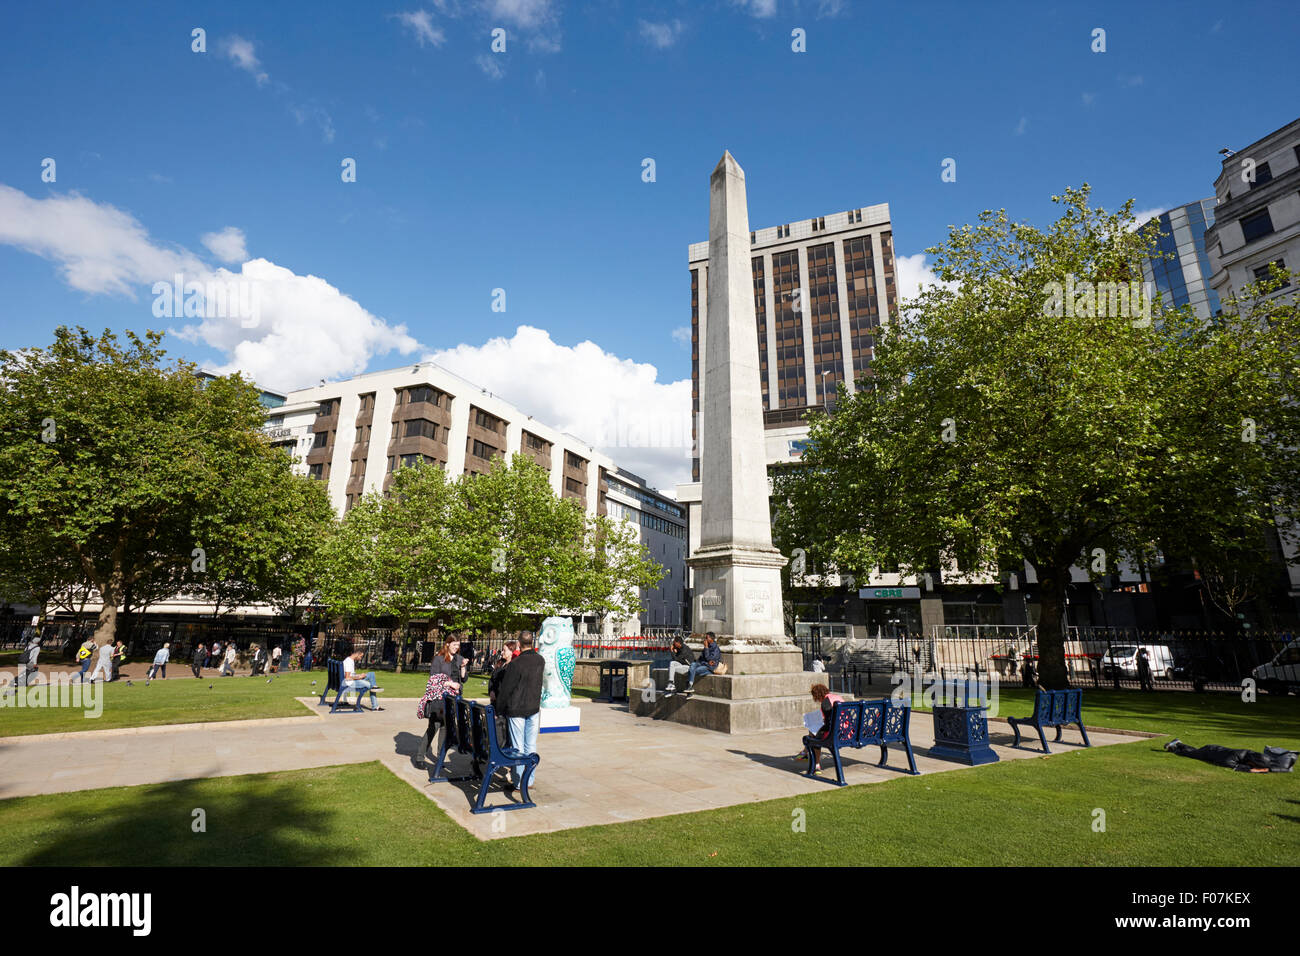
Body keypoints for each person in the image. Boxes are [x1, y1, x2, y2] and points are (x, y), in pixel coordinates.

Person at [494, 631, 545, 794]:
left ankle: (518, 783)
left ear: (519, 644)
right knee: (530, 745)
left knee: (518, 747)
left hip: (517, 708)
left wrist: (499, 709)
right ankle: (528, 780)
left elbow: (507, 689)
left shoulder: (516, 664)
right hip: (533, 707)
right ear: (532, 642)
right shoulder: (540, 660)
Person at [798, 683, 845, 772]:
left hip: (835, 732)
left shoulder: (825, 703)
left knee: (814, 735)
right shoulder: (837, 697)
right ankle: (804, 752)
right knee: (814, 731)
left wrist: (819, 726)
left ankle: (816, 765)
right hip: (846, 730)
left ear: (817, 695)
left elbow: (828, 725)